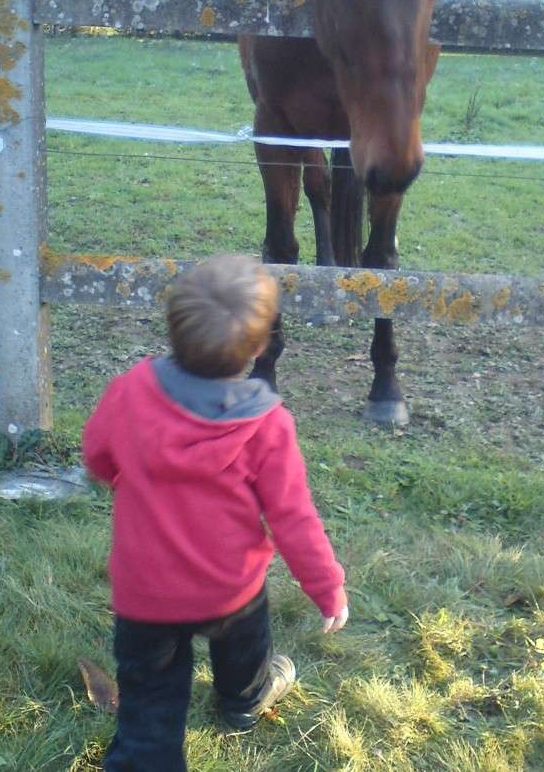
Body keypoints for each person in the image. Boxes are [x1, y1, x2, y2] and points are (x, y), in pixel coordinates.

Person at [82, 253, 348, 771]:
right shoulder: (269, 426)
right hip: (233, 590)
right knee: (244, 657)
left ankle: (146, 756)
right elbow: (293, 518)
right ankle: (244, 703)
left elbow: (96, 452)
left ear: (172, 325)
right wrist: (327, 586)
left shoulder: (131, 390)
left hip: (145, 590)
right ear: (261, 345)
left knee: (150, 705)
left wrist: (124, 480)